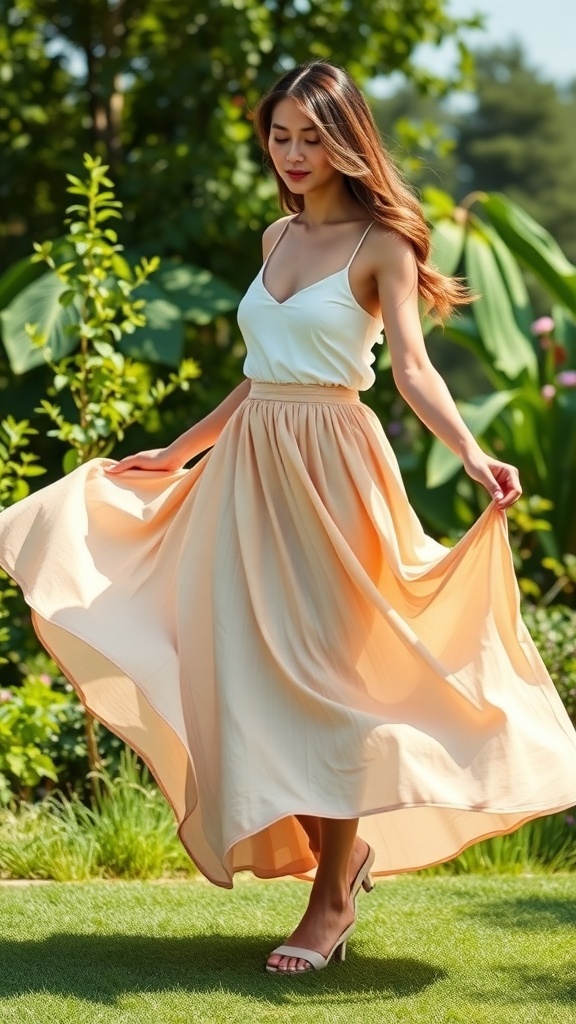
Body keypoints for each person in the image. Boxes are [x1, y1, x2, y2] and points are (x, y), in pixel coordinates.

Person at [1, 60, 576, 977]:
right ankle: (344, 862)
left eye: (313, 136)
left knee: (326, 681)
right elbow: (259, 369)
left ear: (348, 139)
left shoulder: (382, 243)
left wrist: (471, 453)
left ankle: (331, 898)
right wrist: (179, 451)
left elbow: (413, 371)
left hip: (333, 476)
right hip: (247, 473)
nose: (295, 154)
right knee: (250, 675)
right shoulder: (274, 236)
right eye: (281, 136)